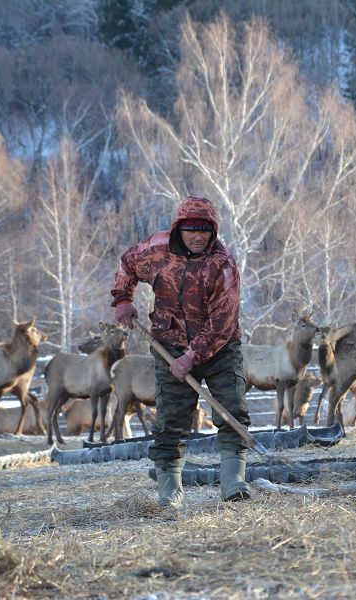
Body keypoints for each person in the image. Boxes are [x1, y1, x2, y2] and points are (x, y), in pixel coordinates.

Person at [111, 195, 251, 507]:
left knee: (232, 410)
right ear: (179, 229)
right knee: (170, 420)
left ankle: (233, 482)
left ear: (213, 230)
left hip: (219, 349)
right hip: (169, 345)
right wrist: (122, 299)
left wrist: (191, 357)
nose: (198, 235)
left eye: (205, 229)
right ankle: (169, 494)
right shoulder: (156, 250)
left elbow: (223, 322)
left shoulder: (223, 264)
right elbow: (126, 264)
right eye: (191, 228)